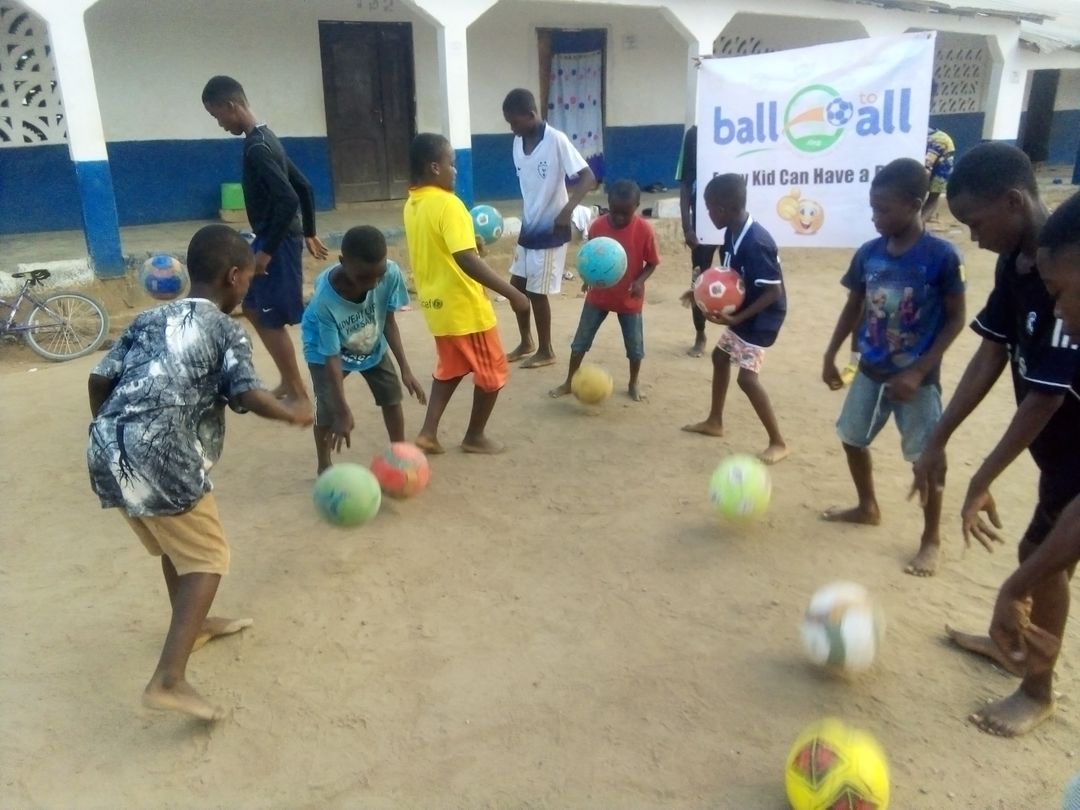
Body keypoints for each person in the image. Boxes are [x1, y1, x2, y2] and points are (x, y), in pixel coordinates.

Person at [86, 225, 312, 721]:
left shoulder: (150, 318)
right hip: (164, 455)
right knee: (208, 558)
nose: (248, 286)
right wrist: (292, 412)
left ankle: (196, 626)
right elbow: (248, 394)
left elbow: (99, 378)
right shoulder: (226, 329)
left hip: (107, 448)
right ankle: (169, 679)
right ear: (233, 276)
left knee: (177, 548)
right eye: (248, 278)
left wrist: (114, 432)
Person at [911, 146, 1080, 737]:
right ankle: (1013, 641)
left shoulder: (1065, 272)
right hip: (1059, 453)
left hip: (1071, 450)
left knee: (1042, 558)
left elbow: (1044, 399)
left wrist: (981, 479)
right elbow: (993, 350)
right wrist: (939, 437)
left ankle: (1036, 689)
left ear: (1013, 202)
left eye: (976, 223)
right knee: (1041, 554)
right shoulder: (1022, 263)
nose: (974, 238)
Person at [821, 158, 966, 576]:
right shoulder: (868, 254)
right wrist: (831, 354)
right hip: (871, 369)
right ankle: (867, 506)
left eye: (883, 209)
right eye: (873, 208)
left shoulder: (941, 256)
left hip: (917, 380)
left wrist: (919, 371)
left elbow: (956, 319)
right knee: (851, 438)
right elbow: (854, 305)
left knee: (926, 459)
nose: (875, 217)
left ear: (915, 205)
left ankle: (931, 537)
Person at [202, 75, 329, 408]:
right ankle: (289, 381)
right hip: (271, 237)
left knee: (269, 316)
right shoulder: (264, 137)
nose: (220, 124)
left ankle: (298, 392)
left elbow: (289, 199)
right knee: (252, 306)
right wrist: (310, 230)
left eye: (217, 116)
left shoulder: (258, 148)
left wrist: (267, 253)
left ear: (231, 106)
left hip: (278, 242)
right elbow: (304, 186)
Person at [403, 133, 531, 454]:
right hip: (464, 307)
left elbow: (446, 249)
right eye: (452, 163)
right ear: (435, 167)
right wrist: (512, 293)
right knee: (493, 372)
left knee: (452, 367)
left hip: (436, 306)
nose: (455, 170)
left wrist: (471, 247)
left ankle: (428, 433)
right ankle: (475, 436)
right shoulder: (450, 204)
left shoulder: (413, 204)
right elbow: (465, 259)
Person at [301, 225, 427, 474]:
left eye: (379, 275)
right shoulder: (325, 300)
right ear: (342, 262)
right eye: (363, 277)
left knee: (392, 396)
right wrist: (342, 410)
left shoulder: (391, 273)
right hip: (324, 349)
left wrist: (405, 369)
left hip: (369, 339)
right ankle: (324, 465)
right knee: (326, 408)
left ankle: (399, 455)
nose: (373, 284)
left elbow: (388, 322)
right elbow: (332, 357)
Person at [681, 174, 789, 464]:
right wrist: (700, 292)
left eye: (709, 209)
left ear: (724, 208)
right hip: (746, 311)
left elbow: (774, 291)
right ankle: (714, 422)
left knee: (747, 379)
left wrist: (738, 316)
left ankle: (778, 442)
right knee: (720, 357)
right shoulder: (731, 232)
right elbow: (729, 279)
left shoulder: (756, 242)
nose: (707, 215)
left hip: (763, 317)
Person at [502, 88, 596, 368]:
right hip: (529, 226)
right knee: (516, 286)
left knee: (536, 292)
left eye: (515, 122)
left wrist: (567, 210)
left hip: (551, 230)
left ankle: (546, 350)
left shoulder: (556, 140)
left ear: (531, 115)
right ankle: (526, 342)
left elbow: (588, 177)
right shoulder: (518, 143)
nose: (512, 129)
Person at [550, 179, 660, 402]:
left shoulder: (644, 230)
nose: (619, 218)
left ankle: (633, 382)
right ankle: (569, 381)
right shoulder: (597, 227)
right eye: (615, 212)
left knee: (635, 346)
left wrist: (639, 282)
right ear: (608, 203)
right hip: (598, 297)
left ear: (636, 207)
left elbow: (652, 263)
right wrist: (587, 278)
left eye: (625, 214)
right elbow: (590, 257)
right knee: (580, 341)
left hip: (629, 298)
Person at [675, 124, 721, 357]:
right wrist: (687, 227)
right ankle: (700, 333)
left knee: (740, 279)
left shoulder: (741, 128)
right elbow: (685, 184)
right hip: (703, 225)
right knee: (699, 280)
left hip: (734, 222)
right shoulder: (694, 134)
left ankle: (737, 338)